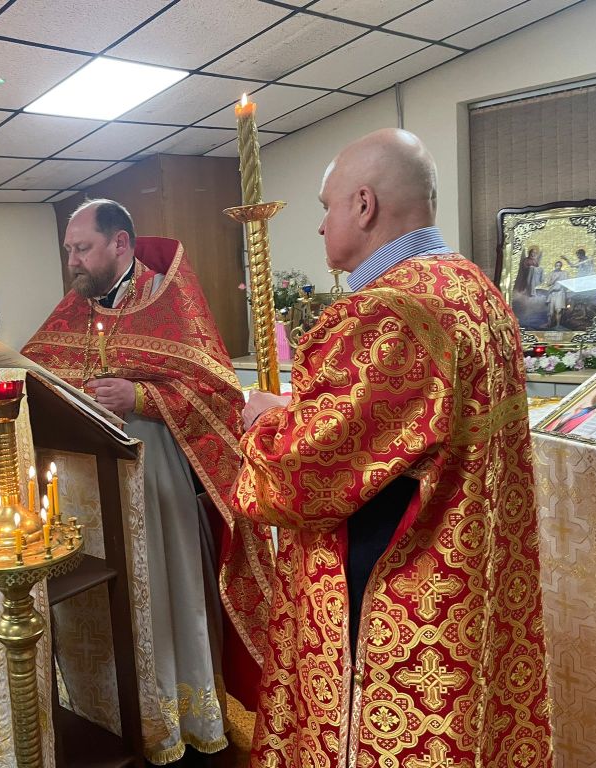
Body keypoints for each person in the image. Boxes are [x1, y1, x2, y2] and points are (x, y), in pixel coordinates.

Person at [235, 129, 551, 767]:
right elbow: (394, 431)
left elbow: (305, 473)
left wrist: (264, 422)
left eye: (326, 206)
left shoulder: (389, 312)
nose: (321, 225)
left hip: (396, 580)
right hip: (467, 574)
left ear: (363, 204)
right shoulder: (474, 288)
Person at [22, 199, 274, 765]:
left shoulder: (169, 300)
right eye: (68, 249)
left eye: (82, 248)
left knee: (161, 597)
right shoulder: (74, 307)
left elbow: (218, 393)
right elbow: (35, 369)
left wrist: (140, 396)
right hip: (84, 492)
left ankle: (178, 720)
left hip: (152, 483)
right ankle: (109, 714)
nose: (72, 261)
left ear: (120, 244)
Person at [545, 259, 570, 328]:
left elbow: (567, 283)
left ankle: (558, 325)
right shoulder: (552, 273)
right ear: (555, 266)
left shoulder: (564, 273)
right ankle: (549, 324)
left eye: (559, 265)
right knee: (551, 312)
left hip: (560, 293)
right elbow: (548, 284)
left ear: (561, 266)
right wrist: (555, 279)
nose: (558, 267)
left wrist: (563, 285)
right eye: (557, 265)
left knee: (558, 310)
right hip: (553, 293)